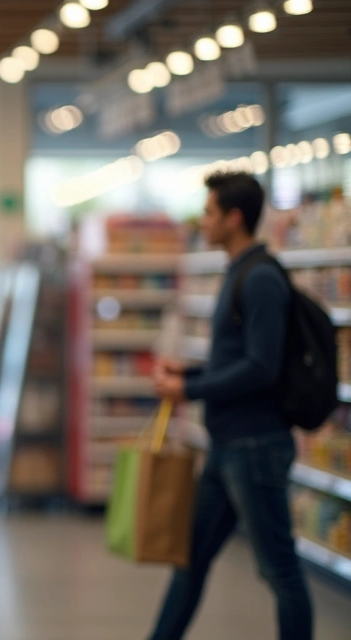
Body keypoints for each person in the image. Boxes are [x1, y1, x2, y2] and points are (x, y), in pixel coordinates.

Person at [149, 172, 312, 640]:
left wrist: (190, 391)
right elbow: (237, 360)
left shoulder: (260, 278)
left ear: (234, 218)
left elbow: (261, 367)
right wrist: (188, 375)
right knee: (189, 560)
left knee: (279, 571)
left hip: (255, 447)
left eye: (209, 212)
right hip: (227, 447)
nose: (202, 221)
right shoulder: (239, 271)